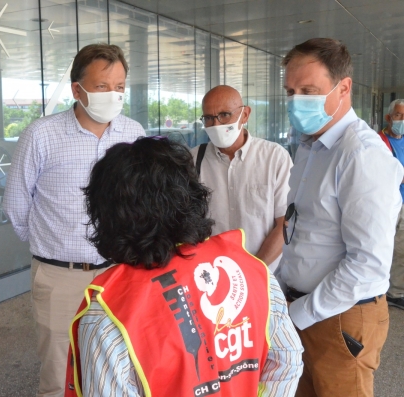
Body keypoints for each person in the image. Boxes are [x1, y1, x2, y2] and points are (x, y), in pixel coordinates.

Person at [65, 137, 303, 397]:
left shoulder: (110, 313)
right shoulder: (254, 272)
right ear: (192, 196)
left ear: (107, 215)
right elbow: (287, 360)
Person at [4, 43, 145, 397]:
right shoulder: (42, 134)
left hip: (120, 274)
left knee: (120, 370)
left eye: (119, 87)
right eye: (102, 86)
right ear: (77, 90)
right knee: (59, 375)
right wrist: (51, 246)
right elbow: (17, 205)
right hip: (60, 277)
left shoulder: (133, 134)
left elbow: (144, 201)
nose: (112, 95)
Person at [279, 38, 403, 397]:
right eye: (290, 91)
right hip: (302, 309)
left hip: (340, 317)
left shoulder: (361, 155)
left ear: (343, 87)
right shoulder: (309, 146)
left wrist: (300, 313)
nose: (296, 101)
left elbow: (367, 264)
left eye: (308, 90)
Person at [191, 85, 292, 273]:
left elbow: (284, 224)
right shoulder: (193, 160)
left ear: (244, 115)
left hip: (264, 276)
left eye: (224, 115)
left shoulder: (274, 157)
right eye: (208, 118)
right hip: (212, 277)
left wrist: (253, 272)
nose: (216, 124)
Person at [378, 98, 404, 309]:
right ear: (388, 117)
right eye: (398, 115)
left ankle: (395, 289)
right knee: (390, 247)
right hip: (387, 203)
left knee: (401, 248)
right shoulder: (379, 141)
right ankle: (393, 292)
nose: (401, 120)